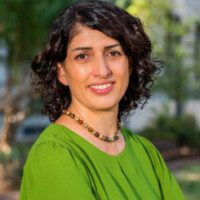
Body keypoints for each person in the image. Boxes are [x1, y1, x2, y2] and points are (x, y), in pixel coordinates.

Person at [19, 1, 185, 199]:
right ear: (61, 71)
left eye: (113, 53)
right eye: (83, 56)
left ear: (130, 65)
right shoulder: (54, 155)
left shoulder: (146, 152)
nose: (103, 70)